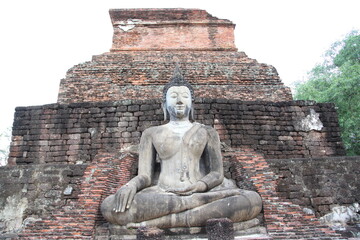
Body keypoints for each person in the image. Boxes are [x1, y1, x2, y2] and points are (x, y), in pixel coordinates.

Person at [101, 66, 262, 228]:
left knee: (251, 199)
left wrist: (200, 186)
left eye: (185, 96)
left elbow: (216, 173)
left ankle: (164, 220)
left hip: (201, 193)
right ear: (164, 104)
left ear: (192, 103)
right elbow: (146, 176)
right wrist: (131, 185)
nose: (179, 100)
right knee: (109, 205)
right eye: (173, 96)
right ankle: (192, 213)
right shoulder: (151, 133)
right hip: (163, 194)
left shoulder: (207, 132)